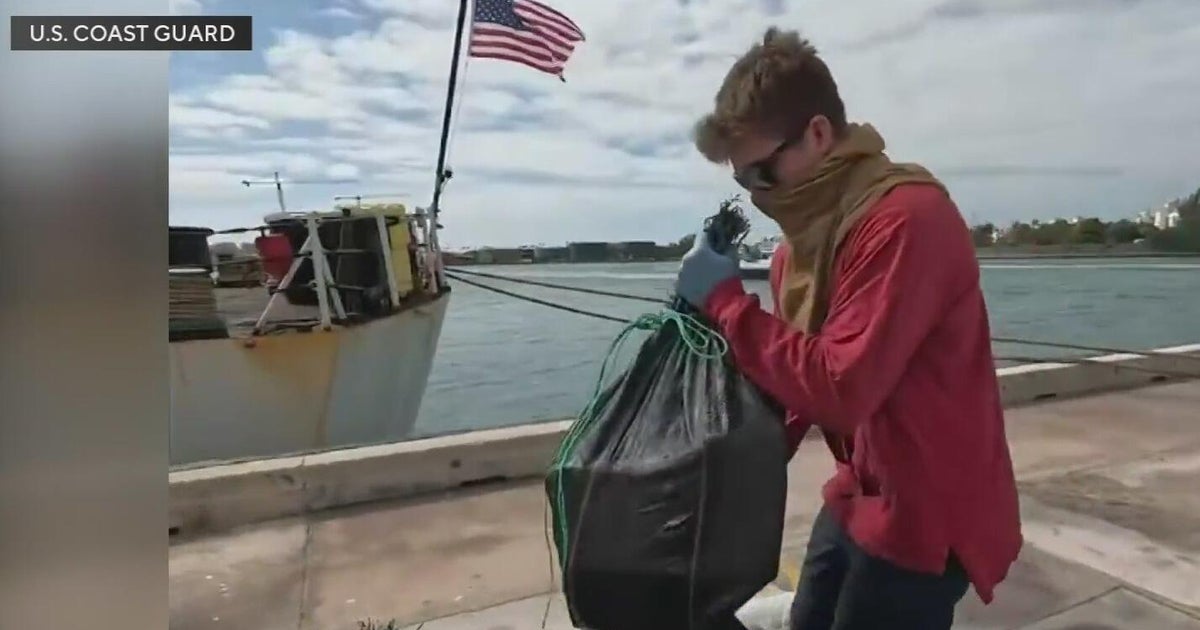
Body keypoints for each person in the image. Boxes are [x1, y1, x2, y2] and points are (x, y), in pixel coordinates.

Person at [674, 27, 1022, 630]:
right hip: (859, 490)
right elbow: (793, 385)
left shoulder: (907, 220)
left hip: (928, 511)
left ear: (817, 133)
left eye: (763, 172)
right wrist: (715, 475)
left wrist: (728, 304)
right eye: (741, 182)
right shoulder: (797, 251)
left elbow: (840, 387)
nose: (757, 196)